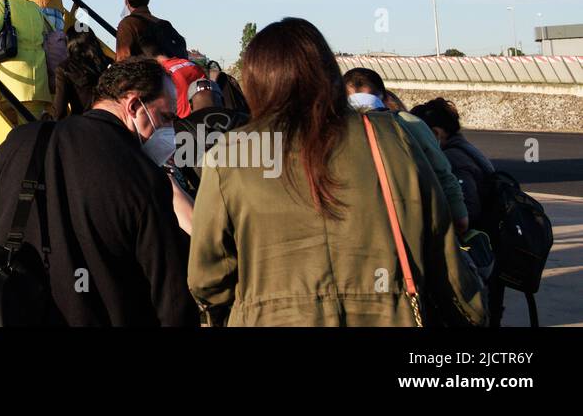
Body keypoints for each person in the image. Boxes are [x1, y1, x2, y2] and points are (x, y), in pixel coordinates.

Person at [188, 17, 485, 327]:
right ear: (328, 74)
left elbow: (207, 278)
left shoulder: (230, 156)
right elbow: (441, 252)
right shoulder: (393, 139)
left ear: (255, 82)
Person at [0, 56, 197, 326]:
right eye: (165, 117)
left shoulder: (22, 141)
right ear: (134, 105)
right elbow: (172, 298)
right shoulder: (145, 177)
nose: (169, 131)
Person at [409, 97, 504, 326]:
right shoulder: (467, 149)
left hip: (478, 252)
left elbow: (467, 212)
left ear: (435, 133)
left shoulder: (453, 158)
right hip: (491, 248)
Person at [344, 67, 469, 233]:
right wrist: (459, 217)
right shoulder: (410, 124)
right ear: (385, 97)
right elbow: (443, 175)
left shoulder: (326, 130)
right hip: (410, 231)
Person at [115, 0, 188, 61]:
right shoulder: (165, 24)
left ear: (126, 1)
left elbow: (122, 61)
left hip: (143, 73)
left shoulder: (127, 24)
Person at [50, 26, 109, 119]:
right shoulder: (109, 63)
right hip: (111, 122)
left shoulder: (65, 68)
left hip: (83, 123)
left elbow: (59, 110)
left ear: (70, 42)